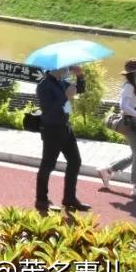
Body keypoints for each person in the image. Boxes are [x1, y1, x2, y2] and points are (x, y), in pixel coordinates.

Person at [35, 63, 89, 213]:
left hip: (65, 128)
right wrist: (65, 96)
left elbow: (80, 90)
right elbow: (48, 108)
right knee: (47, 165)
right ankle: (41, 200)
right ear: (55, 68)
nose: (67, 70)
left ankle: (69, 198)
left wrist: (80, 76)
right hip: (51, 129)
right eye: (65, 68)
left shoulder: (61, 82)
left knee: (75, 161)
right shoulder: (44, 85)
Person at [98, 59, 136, 200]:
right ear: (134, 73)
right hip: (131, 125)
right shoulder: (129, 86)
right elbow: (124, 106)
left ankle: (108, 170)